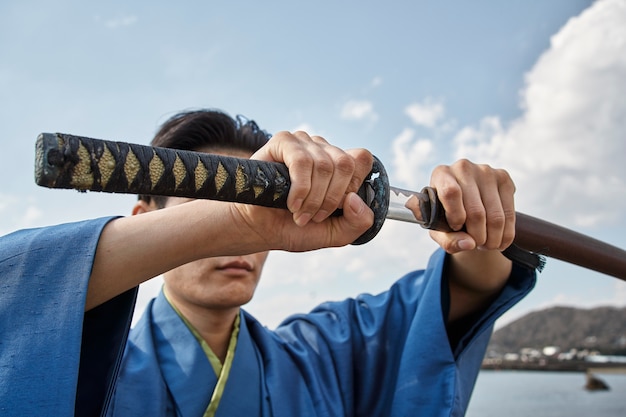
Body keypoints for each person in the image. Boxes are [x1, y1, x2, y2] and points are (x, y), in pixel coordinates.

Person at [0, 109, 535, 417]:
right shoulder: (74, 366)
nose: (239, 237)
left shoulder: (321, 355)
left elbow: (455, 300)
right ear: (145, 217)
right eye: (207, 210)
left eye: (258, 208)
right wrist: (236, 218)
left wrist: (482, 227)